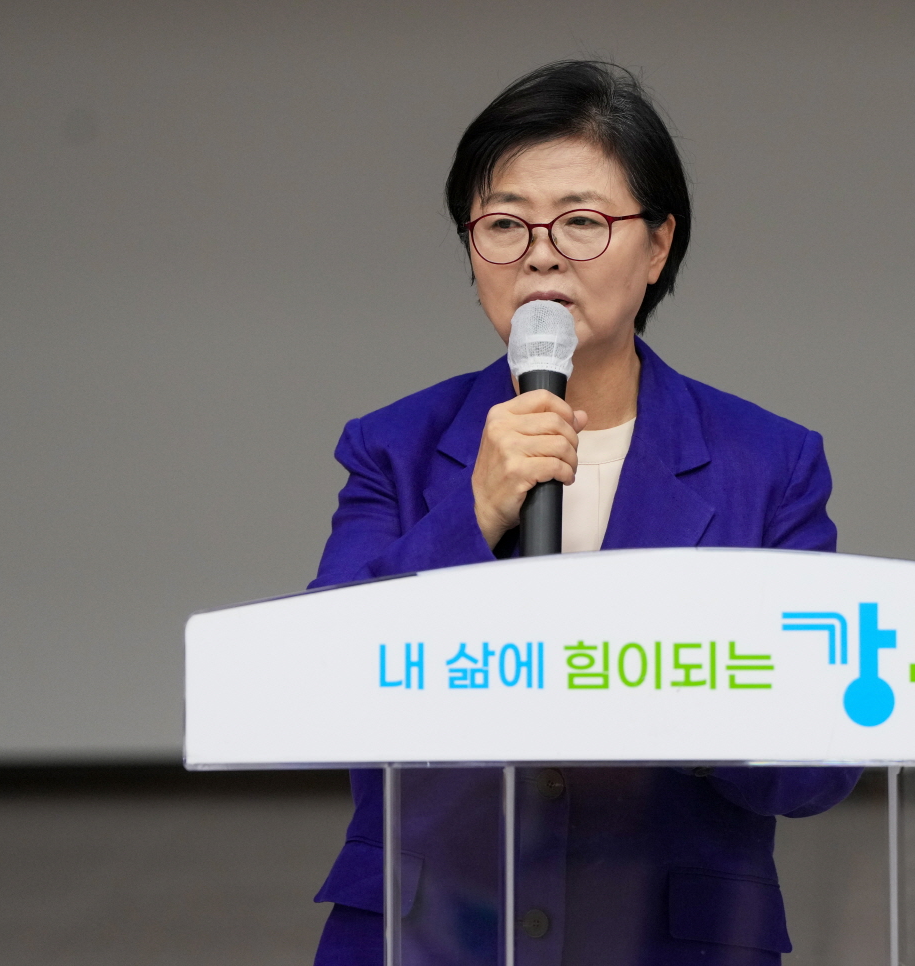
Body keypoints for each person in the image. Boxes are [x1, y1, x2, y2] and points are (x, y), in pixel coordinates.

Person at [308, 61, 861, 966]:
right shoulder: (395, 447)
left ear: (659, 245)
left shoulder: (768, 464)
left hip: (669, 940)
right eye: (503, 224)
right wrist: (472, 512)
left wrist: (663, 686)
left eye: (581, 221)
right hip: (430, 935)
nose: (540, 253)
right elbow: (315, 685)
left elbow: (819, 764)